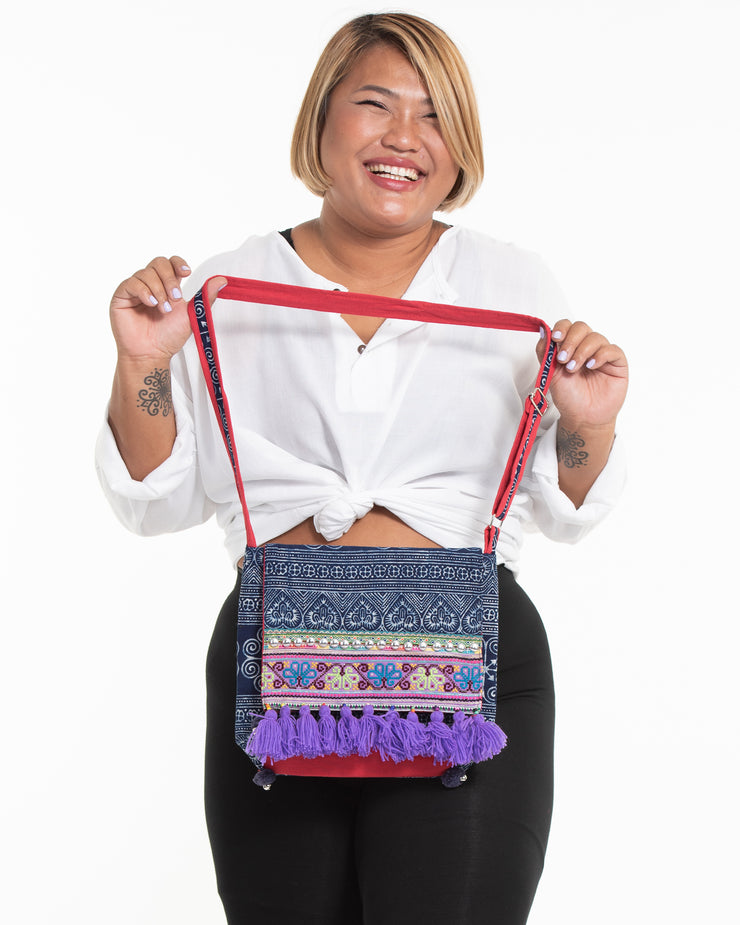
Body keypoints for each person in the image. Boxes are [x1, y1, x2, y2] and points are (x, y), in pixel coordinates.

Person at [96, 12, 628, 925]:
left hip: (467, 662)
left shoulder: (513, 285)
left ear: (461, 148)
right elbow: (154, 498)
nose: (404, 138)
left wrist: (588, 423)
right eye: (375, 104)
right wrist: (144, 361)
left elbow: (567, 506)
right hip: (280, 665)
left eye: (435, 115)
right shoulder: (228, 284)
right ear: (321, 120)